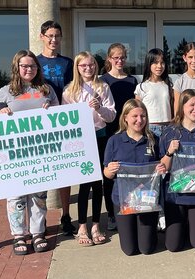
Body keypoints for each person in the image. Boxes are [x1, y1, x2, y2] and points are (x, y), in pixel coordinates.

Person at [0, 50, 59, 255]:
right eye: (24, 66)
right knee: (16, 196)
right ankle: (18, 235)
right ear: (17, 67)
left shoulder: (46, 90)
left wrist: (52, 109)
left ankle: (38, 232)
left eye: (32, 66)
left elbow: (60, 115)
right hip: (15, 153)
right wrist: (1, 112)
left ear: (37, 68)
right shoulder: (6, 91)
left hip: (40, 151)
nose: (28, 69)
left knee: (39, 195)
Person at [62, 51, 116, 246]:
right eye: (83, 65)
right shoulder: (69, 91)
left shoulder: (103, 87)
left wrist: (99, 107)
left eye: (91, 65)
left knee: (97, 183)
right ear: (77, 68)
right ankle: (82, 225)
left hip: (100, 137)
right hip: (81, 141)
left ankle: (95, 225)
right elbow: (64, 121)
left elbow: (111, 116)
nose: (88, 68)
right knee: (84, 184)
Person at [103, 99, 166, 255]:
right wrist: (110, 170)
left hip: (147, 199)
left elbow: (163, 164)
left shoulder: (153, 140)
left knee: (146, 249)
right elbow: (107, 174)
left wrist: (161, 168)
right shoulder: (114, 141)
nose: (139, 120)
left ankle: (151, 232)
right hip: (123, 200)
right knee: (129, 250)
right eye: (135, 116)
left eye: (143, 116)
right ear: (125, 118)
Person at [160, 89, 195, 252]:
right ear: (182, 107)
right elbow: (163, 168)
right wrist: (169, 152)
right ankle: (184, 225)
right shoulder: (170, 132)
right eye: (191, 104)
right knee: (173, 246)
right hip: (175, 195)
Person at [37, 20, 75, 235]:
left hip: (63, 121)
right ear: (42, 36)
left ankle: (65, 215)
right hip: (41, 122)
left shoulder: (68, 63)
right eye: (49, 35)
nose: (53, 40)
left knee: (65, 173)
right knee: (42, 172)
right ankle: (39, 219)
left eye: (57, 36)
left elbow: (73, 90)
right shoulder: (34, 61)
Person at [100, 43, 138, 231]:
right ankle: (111, 214)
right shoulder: (103, 80)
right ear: (109, 59)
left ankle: (131, 205)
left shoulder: (132, 81)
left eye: (122, 57)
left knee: (129, 172)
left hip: (128, 132)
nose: (119, 60)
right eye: (115, 57)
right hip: (109, 132)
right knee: (110, 174)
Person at [135, 48, 173, 137]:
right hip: (150, 127)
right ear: (149, 64)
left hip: (168, 126)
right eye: (155, 63)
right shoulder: (142, 87)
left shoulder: (168, 84)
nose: (159, 66)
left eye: (162, 63)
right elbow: (137, 110)